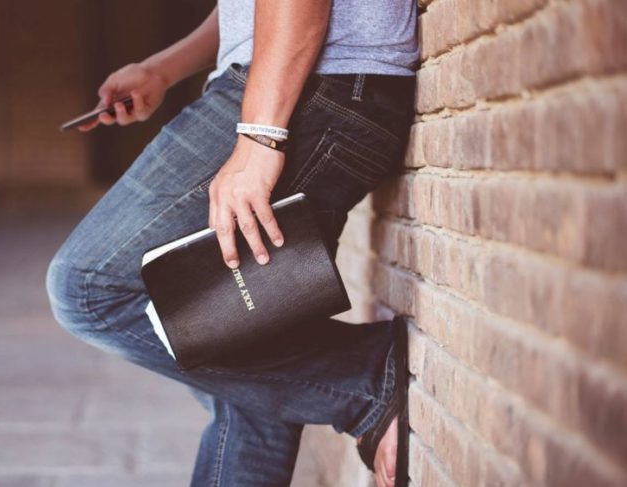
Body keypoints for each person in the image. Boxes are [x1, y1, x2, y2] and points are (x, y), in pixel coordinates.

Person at [45, 0, 419, 485]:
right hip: (315, 83)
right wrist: (163, 70)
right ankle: (356, 378)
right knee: (250, 383)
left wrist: (260, 139)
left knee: (91, 289)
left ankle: (362, 376)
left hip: (314, 86)